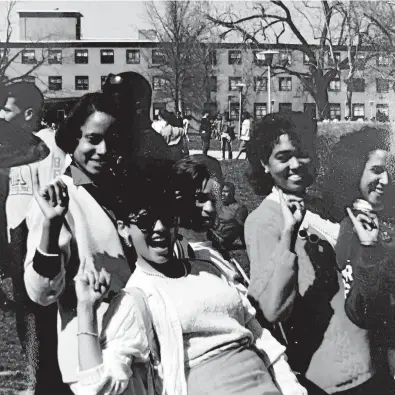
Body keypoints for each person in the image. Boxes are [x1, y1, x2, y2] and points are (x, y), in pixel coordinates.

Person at [74, 159, 307, 395]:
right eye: (145, 221)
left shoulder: (209, 264)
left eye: (167, 217)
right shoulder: (136, 299)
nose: (159, 228)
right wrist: (86, 313)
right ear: (124, 229)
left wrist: (293, 390)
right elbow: (100, 390)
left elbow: (260, 337)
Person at [245, 112, 379, 394]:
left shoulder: (326, 206)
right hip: (330, 374)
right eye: (283, 157)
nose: (295, 165)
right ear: (264, 164)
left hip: (373, 357)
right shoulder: (263, 221)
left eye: (302, 154)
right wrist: (289, 235)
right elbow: (272, 309)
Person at [23, 92, 133, 393]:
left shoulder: (122, 192)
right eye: (93, 139)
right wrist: (51, 225)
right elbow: (41, 291)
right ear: (73, 140)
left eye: (112, 139)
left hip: (136, 345)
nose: (104, 150)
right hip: (92, 353)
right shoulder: (58, 199)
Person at [0, 81, 69, 394]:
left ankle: (41, 375)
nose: (1, 113)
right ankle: (39, 372)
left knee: (36, 311)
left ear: (28, 113)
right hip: (18, 229)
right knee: (29, 310)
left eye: (7, 108)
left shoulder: (48, 144)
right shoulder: (12, 144)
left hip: (34, 230)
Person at [323, 127, 395, 380]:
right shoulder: (354, 230)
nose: (386, 180)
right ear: (354, 173)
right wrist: (370, 249)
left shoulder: (387, 218)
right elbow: (361, 309)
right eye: (376, 171)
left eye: (390, 171)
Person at [102, 72, 171, 162]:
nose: (109, 109)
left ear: (137, 106)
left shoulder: (149, 144)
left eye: (117, 103)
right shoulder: (115, 140)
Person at [209, 181, 248, 250]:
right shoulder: (220, 205)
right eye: (222, 191)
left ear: (232, 193)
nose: (223, 194)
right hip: (211, 233)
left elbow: (242, 229)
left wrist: (246, 245)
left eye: (226, 192)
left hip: (221, 239)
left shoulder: (239, 208)